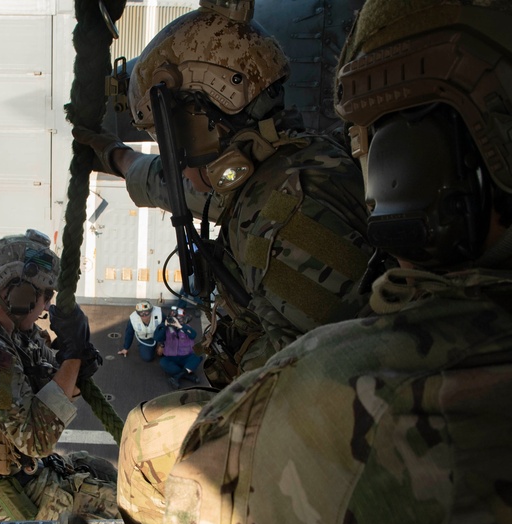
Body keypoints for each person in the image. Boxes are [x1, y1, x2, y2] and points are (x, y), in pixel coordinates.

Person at [22, 0, 512, 524]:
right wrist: (116, 158)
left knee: (166, 443)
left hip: (343, 510)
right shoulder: (272, 176)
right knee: (151, 435)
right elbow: (182, 183)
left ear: (424, 161)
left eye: (383, 142)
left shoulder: (344, 350)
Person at [75, 0, 374, 385]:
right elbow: (182, 187)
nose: (174, 160)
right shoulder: (284, 165)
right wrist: (116, 158)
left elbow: (328, 396)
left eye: (170, 137)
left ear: (207, 118)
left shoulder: (283, 223)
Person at [0, 229, 118, 522]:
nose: (46, 307)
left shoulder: (10, 335)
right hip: (13, 493)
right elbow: (37, 440)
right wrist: (73, 355)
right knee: (130, 509)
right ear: (19, 295)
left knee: (102, 470)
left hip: (25, 470)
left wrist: (75, 365)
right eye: (46, 295)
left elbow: (48, 390)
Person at [154, 306, 202, 389]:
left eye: (180, 319)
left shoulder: (187, 327)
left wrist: (180, 326)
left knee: (198, 356)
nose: (176, 321)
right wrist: (165, 325)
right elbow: (157, 338)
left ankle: (176, 377)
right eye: (175, 319)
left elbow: (193, 335)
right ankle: (187, 374)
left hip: (186, 357)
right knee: (163, 363)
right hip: (171, 357)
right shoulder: (164, 327)